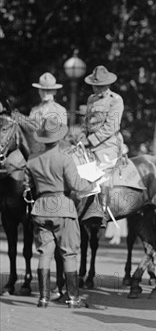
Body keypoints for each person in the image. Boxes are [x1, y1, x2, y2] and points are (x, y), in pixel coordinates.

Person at [24, 116, 97, 308]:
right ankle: (73, 298)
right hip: (63, 208)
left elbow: (28, 186)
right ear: (58, 138)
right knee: (69, 254)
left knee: (45, 253)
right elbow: (76, 185)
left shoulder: (31, 160)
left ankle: (43, 298)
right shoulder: (65, 158)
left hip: (40, 209)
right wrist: (94, 182)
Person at [81, 65, 124, 165]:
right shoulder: (91, 99)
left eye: (101, 87)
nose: (97, 89)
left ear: (108, 85)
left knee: (102, 175)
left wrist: (91, 140)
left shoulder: (115, 100)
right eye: (95, 86)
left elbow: (111, 127)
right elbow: (87, 120)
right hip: (89, 144)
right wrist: (83, 133)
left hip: (107, 145)